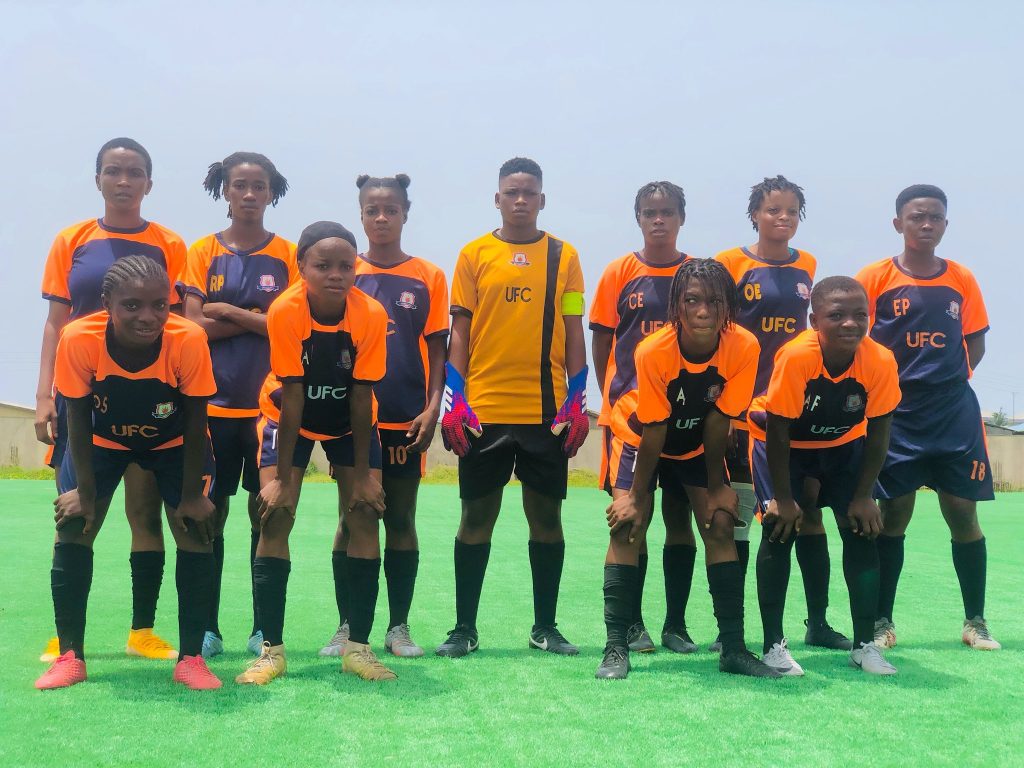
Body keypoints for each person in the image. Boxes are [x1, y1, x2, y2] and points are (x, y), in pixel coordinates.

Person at [36, 256, 220, 690]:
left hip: (174, 443)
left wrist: (191, 496)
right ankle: (70, 657)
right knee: (75, 524)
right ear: (107, 304)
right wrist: (85, 492)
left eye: (159, 305)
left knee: (194, 528)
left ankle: (192, 659)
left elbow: (197, 418)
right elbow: (77, 417)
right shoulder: (79, 338)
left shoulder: (188, 339)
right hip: (102, 441)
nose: (147, 316)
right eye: (132, 305)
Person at [36, 137, 185, 663]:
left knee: (145, 511)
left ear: (149, 182)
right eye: (113, 171)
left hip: (148, 396)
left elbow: (176, 323)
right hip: (80, 395)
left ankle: (142, 629)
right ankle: (66, 637)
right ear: (97, 178)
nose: (124, 181)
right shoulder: (72, 240)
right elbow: (55, 323)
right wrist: (43, 394)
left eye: (134, 172)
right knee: (80, 511)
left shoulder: (168, 243)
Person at [436, 157, 589, 658]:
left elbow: (573, 329)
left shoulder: (565, 255)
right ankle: (464, 629)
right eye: (511, 192)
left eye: (529, 193)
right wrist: (454, 400)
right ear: (497, 198)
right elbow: (459, 332)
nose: (520, 200)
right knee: (475, 519)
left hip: (547, 414)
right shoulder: (473, 254)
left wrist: (577, 398)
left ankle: (545, 627)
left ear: (542, 199)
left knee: (547, 520)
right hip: (483, 411)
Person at [601, 259, 779, 679]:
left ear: (729, 306)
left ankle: (733, 649)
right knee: (628, 526)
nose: (703, 311)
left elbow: (719, 419)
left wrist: (716, 488)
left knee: (720, 523)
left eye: (715, 302)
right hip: (641, 437)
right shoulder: (654, 350)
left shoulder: (744, 346)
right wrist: (635, 498)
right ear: (676, 306)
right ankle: (615, 647)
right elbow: (655, 428)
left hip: (698, 440)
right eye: (692, 300)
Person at [234, 221, 393, 686]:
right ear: (301, 266)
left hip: (349, 419)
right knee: (276, 515)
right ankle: (271, 652)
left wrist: (361, 476)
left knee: (364, 514)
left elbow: (361, 394)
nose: (336, 274)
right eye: (323, 265)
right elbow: (293, 393)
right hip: (290, 415)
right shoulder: (286, 309)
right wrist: (283, 480)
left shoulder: (370, 313)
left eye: (346, 266)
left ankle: (358, 649)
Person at [856, 185, 999, 650]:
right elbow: (856, 337)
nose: (926, 224)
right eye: (917, 216)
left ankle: (975, 621)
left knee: (961, 511)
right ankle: (881, 622)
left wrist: (945, 379)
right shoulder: (874, 277)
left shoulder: (961, 278)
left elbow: (975, 342)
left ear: (945, 225)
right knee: (893, 512)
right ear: (898, 223)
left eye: (935, 217)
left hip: (952, 412)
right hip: (896, 413)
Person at [715, 175, 850, 652]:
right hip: (744, 410)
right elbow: (720, 336)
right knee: (743, 516)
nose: (783, 218)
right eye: (773, 209)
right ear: (755, 214)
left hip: (797, 411)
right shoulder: (730, 263)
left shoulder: (807, 265)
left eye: (792, 211)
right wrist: (726, 411)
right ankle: (732, 632)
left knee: (808, 513)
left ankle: (818, 623)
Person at [317, 174, 447, 659]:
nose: (381, 217)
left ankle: (398, 627)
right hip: (353, 422)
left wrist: (433, 408)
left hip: (405, 419)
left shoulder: (428, 276)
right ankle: (347, 625)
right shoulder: (345, 273)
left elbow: (438, 351)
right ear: (361, 214)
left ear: (405, 213)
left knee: (401, 517)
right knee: (353, 516)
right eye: (372, 209)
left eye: (391, 209)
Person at [749, 277, 902, 676]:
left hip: (842, 445)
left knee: (862, 530)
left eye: (860, 315)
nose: (850, 323)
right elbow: (778, 430)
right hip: (785, 446)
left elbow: (879, 431)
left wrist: (864, 495)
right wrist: (784, 499)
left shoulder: (880, 360)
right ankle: (773, 646)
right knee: (780, 529)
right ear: (814, 320)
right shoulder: (796, 356)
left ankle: (865, 646)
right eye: (837, 315)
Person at [182, 151, 297, 658]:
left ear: (271, 192)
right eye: (239, 185)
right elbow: (191, 329)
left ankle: (262, 629)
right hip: (212, 408)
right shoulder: (202, 251)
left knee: (265, 514)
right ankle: (207, 628)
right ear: (224, 191)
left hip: (269, 410)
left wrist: (226, 310)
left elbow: (291, 327)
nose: (249, 194)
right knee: (210, 515)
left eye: (259, 186)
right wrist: (256, 318)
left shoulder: (289, 254)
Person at [590, 181, 699, 655]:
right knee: (633, 518)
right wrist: (612, 394)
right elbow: (602, 340)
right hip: (631, 418)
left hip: (686, 418)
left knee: (680, 518)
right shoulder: (619, 271)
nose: (659, 220)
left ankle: (676, 624)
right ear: (637, 218)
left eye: (668, 212)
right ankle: (632, 626)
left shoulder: (696, 274)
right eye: (650, 212)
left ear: (681, 218)